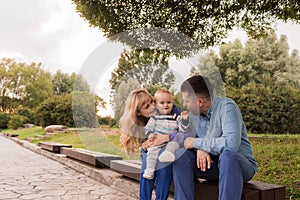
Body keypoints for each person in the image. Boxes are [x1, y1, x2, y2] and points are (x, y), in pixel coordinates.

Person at [153, 75, 258, 200]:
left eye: (187, 101)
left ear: (200, 102)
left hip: (237, 167)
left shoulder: (227, 107)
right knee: (181, 156)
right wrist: (199, 148)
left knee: (227, 156)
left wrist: (199, 144)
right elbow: (187, 141)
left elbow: (231, 144)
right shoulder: (193, 115)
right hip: (210, 165)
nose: (184, 105)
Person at [119, 88, 179, 200]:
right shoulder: (143, 125)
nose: (152, 107)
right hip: (153, 155)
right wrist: (144, 148)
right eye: (147, 107)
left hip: (172, 150)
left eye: (152, 102)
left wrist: (166, 137)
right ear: (138, 112)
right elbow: (143, 154)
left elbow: (184, 133)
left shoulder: (170, 110)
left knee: (163, 160)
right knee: (147, 158)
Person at [143, 89, 189, 179]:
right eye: (162, 103)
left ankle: (168, 154)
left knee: (174, 145)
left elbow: (183, 130)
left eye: (169, 102)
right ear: (156, 105)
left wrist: (185, 120)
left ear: (173, 103)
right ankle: (149, 170)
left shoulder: (176, 117)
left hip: (170, 141)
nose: (166, 105)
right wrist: (150, 134)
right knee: (152, 152)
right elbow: (148, 128)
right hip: (157, 142)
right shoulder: (155, 118)